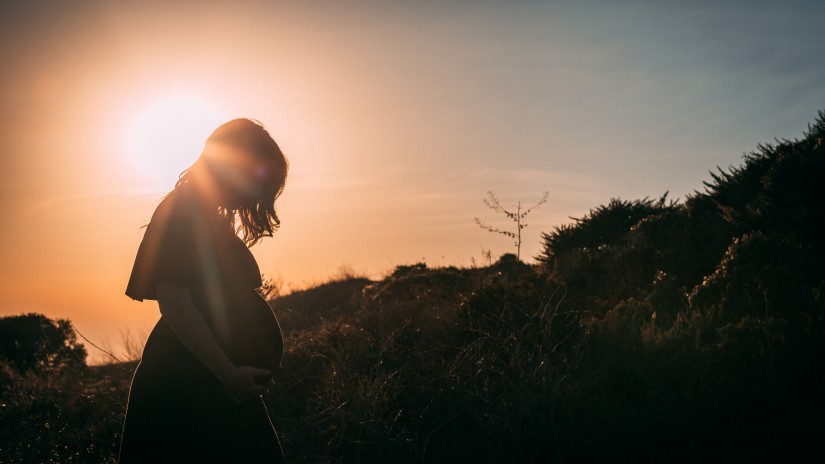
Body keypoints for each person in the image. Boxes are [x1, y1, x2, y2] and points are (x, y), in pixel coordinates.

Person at [119, 118, 289, 462]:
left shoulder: (202, 213)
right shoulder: (183, 213)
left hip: (211, 381)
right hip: (189, 383)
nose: (257, 190)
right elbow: (176, 303)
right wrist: (229, 374)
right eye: (257, 175)